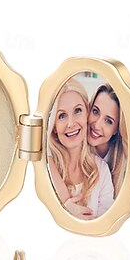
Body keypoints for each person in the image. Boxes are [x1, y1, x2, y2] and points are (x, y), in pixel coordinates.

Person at [47, 79, 114, 219]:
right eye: (62, 116)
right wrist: (64, 211)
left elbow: (105, 221)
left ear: (86, 115)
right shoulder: (45, 167)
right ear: (54, 126)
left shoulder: (102, 171)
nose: (71, 123)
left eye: (77, 111)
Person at [87, 83, 127, 197]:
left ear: (117, 129)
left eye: (108, 121)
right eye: (95, 111)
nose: (97, 125)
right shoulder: (75, 146)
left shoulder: (124, 161)